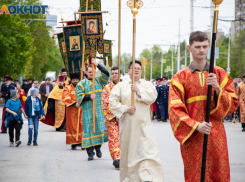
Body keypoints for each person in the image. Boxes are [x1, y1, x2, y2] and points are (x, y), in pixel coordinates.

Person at [168, 31, 238, 182]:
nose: (201, 50)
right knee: (195, 174)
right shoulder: (180, 77)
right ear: (189, 48)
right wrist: (195, 125)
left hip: (216, 133)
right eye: (197, 46)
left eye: (205, 46)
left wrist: (218, 88)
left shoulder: (219, 73)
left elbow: (233, 103)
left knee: (218, 172)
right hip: (193, 135)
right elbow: (175, 109)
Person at [109, 60, 164, 182]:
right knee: (130, 156)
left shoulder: (147, 85)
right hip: (128, 128)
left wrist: (138, 91)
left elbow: (153, 97)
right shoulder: (120, 86)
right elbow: (112, 103)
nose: (137, 70)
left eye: (139, 68)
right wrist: (125, 109)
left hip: (144, 128)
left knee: (147, 155)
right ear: (128, 71)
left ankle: (147, 178)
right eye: (134, 68)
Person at [75, 59, 109, 161]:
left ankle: (98, 148)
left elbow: (106, 74)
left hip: (98, 112)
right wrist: (89, 96)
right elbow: (78, 96)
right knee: (88, 132)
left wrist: (97, 64)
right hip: (88, 112)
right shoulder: (81, 84)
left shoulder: (99, 81)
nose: (91, 73)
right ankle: (90, 153)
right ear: (86, 72)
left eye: (93, 72)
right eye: (89, 72)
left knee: (98, 130)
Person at [101, 67, 120, 169]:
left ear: (120, 74)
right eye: (112, 73)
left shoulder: (125, 86)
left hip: (125, 117)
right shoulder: (107, 88)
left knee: (125, 138)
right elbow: (105, 103)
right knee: (114, 137)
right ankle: (116, 158)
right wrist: (115, 116)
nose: (114, 74)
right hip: (112, 118)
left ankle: (125, 158)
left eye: (116, 73)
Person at [62, 73, 83, 150]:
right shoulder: (67, 88)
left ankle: (81, 142)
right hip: (71, 111)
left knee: (81, 125)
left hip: (81, 110)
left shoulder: (82, 87)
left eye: (77, 80)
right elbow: (66, 97)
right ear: (71, 80)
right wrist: (75, 104)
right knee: (72, 126)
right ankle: (73, 143)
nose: (75, 81)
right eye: (74, 80)